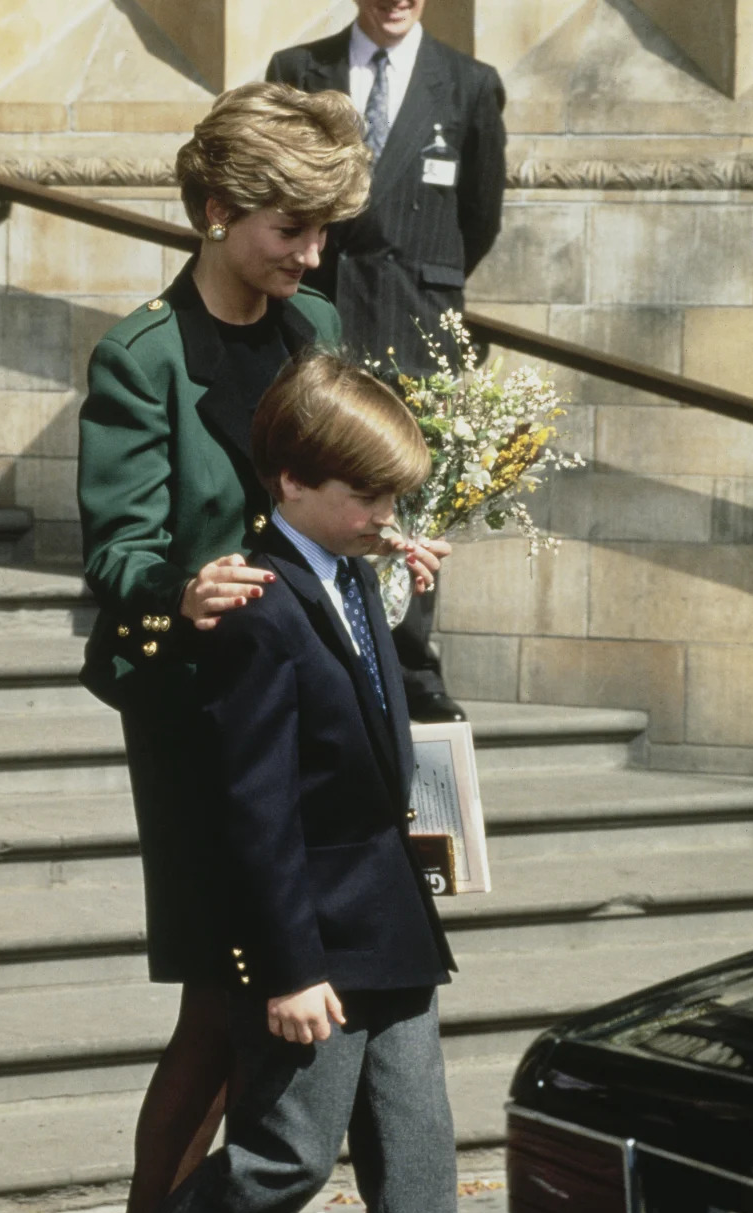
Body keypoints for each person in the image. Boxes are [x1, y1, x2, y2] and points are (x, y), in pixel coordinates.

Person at [75, 80, 444, 1213]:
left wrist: (386, 538)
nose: (311, 254)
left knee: (233, 1027)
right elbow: (114, 547)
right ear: (221, 209)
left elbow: (343, 474)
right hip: (200, 717)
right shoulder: (142, 355)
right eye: (293, 227)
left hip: (316, 701)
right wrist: (186, 583)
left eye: (322, 231)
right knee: (236, 1017)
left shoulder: (319, 327)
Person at [267, 0, 507, 724]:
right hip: (324, 305)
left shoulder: (468, 83)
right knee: (319, 477)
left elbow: (479, 216)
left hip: (414, 315)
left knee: (405, 489)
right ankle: (316, 636)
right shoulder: (298, 71)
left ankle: (410, 660)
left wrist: (423, 278)